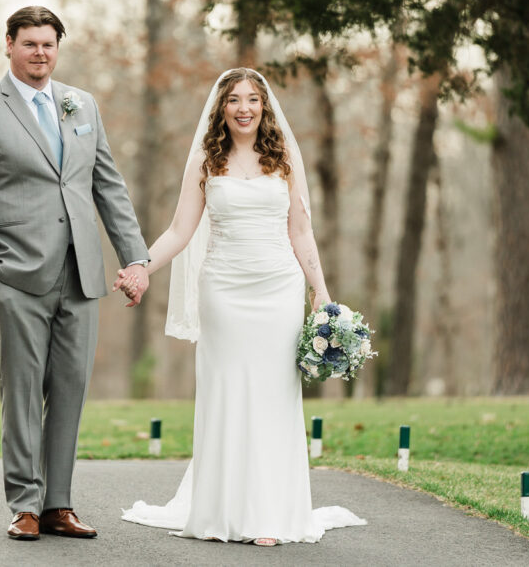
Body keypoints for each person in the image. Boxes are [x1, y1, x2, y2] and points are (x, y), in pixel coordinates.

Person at [115, 68, 366, 545]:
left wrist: (322, 291)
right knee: (226, 393)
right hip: (224, 291)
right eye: (234, 100)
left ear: (265, 107)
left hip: (278, 290)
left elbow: (301, 230)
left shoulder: (285, 158)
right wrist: (141, 267)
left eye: (253, 99)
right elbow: (180, 231)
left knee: (273, 397)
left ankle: (270, 515)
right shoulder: (205, 162)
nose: (244, 108)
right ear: (222, 108)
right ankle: (223, 510)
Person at [0, 6, 150, 541]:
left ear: (58, 48)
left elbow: (108, 186)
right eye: (30, 43)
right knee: (22, 392)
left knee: (70, 390)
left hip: (82, 275)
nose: (40, 53)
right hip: (17, 278)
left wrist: (136, 258)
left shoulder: (81, 104)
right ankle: (25, 505)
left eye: (49, 44)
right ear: (8, 44)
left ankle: (59, 504)